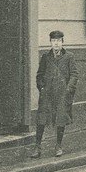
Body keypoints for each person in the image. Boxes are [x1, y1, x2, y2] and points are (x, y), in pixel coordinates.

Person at [31, 30, 78, 158]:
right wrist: (41, 88)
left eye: (58, 41)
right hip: (47, 93)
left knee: (60, 119)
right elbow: (39, 75)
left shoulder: (69, 56)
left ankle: (58, 145)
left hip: (62, 93)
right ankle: (37, 147)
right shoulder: (46, 57)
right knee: (41, 119)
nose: (56, 44)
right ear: (50, 42)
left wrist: (68, 89)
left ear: (62, 42)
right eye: (53, 41)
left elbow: (74, 74)